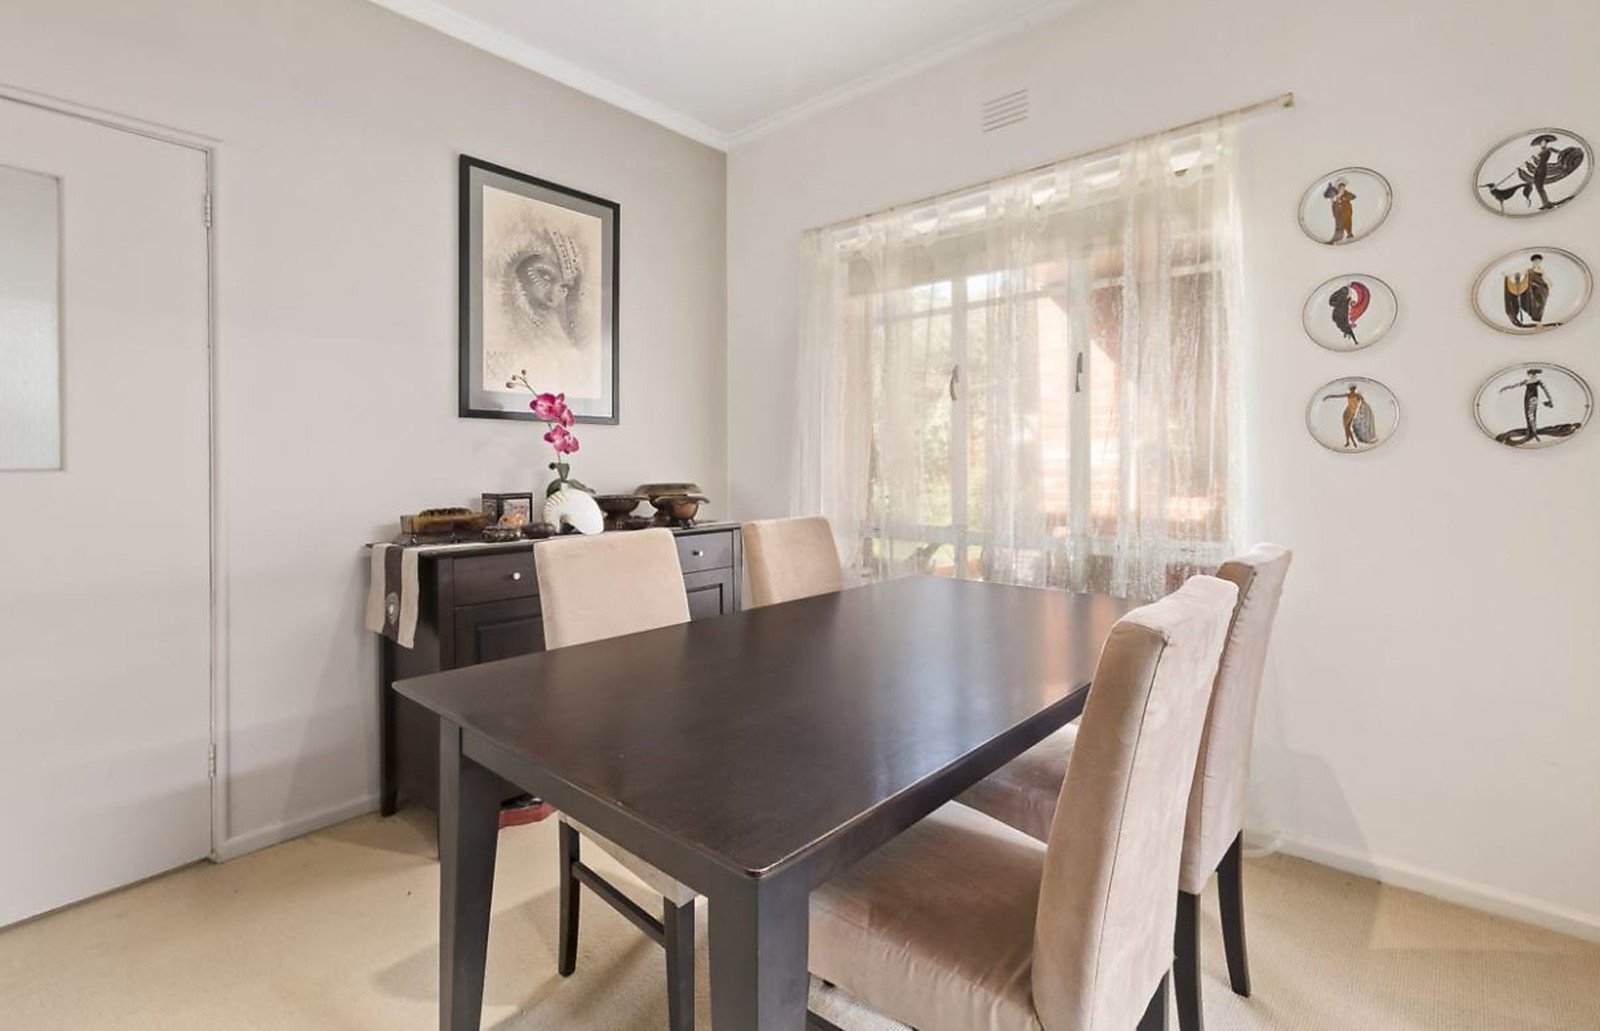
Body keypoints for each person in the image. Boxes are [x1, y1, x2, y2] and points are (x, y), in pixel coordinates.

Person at [1499, 368, 1554, 443]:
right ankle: (1532, 432)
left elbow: (1546, 391)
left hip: (1532, 399)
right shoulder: (1530, 381)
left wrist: (1550, 400)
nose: (1531, 376)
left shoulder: (1534, 381)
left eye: (1531, 374)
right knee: (1530, 414)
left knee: (1530, 414)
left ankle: (1534, 434)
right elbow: (1516, 385)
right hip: (1529, 398)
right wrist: (1506, 388)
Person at [1322, 383, 1377, 448]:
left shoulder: (1357, 395)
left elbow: (1363, 402)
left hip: (1351, 412)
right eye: (1351, 389)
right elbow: (1338, 396)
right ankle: (1350, 442)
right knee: (1347, 428)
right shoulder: (1352, 395)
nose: (1351, 390)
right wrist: (1329, 396)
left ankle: (1351, 442)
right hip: (1347, 411)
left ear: (1354, 389)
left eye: (1352, 389)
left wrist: (1362, 410)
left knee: (1347, 428)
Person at [1503, 253, 1551, 328]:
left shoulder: (1541, 270)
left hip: (1541, 289)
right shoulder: (1529, 270)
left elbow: (1546, 279)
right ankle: (1537, 322)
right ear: (1533, 262)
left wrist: (1549, 286)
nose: (1537, 263)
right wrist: (1509, 275)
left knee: (1540, 304)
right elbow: (1520, 273)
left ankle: (1538, 321)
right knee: (1534, 303)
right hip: (1532, 289)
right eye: (1535, 261)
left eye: (1538, 261)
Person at [1323, 178, 1356, 243]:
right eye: (1340, 187)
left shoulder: (1346, 193)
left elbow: (1353, 196)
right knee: (1339, 224)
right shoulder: (1336, 194)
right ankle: (1338, 237)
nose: (1342, 188)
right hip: (1337, 212)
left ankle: (1349, 235)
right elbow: (1330, 197)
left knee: (1347, 223)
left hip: (1346, 211)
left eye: (1343, 187)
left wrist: (1345, 198)